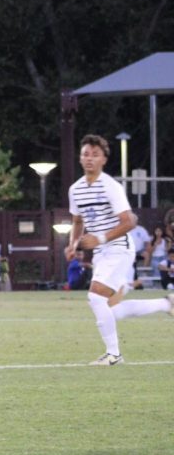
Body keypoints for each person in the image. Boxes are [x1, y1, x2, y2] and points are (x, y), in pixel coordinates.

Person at [66, 134, 173, 366]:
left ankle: (114, 355)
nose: (89, 159)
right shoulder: (75, 189)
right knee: (111, 311)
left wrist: (100, 238)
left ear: (104, 159)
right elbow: (77, 221)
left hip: (119, 249)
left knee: (95, 297)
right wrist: (73, 244)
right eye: (85, 154)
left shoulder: (110, 186)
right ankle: (166, 304)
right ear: (80, 157)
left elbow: (129, 222)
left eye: (95, 155)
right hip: (101, 254)